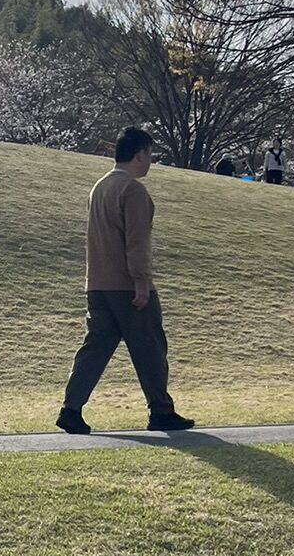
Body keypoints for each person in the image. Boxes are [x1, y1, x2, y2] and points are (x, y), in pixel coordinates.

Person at [57, 127, 194, 435]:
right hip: (127, 285)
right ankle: (160, 410)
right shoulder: (132, 191)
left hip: (98, 283)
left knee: (96, 347)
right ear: (139, 154)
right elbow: (137, 242)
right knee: (151, 348)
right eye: (149, 155)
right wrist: (142, 281)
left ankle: (71, 408)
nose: (150, 162)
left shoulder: (100, 186)